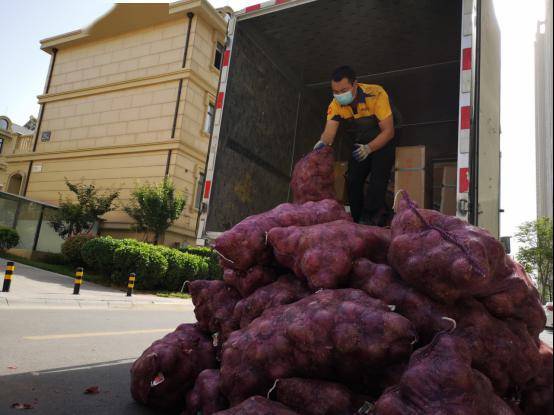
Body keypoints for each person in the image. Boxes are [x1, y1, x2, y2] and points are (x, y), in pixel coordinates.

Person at [314, 66, 397, 225]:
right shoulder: (335, 104)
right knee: (352, 178)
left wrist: (369, 148)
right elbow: (329, 133)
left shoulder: (376, 93)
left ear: (355, 84)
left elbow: (389, 132)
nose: (339, 95)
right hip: (362, 138)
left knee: (378, 176)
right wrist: (322, 144)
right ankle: (357, 218)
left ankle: (371, 216)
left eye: (343, 90)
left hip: (383, 137)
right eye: (335, 92)